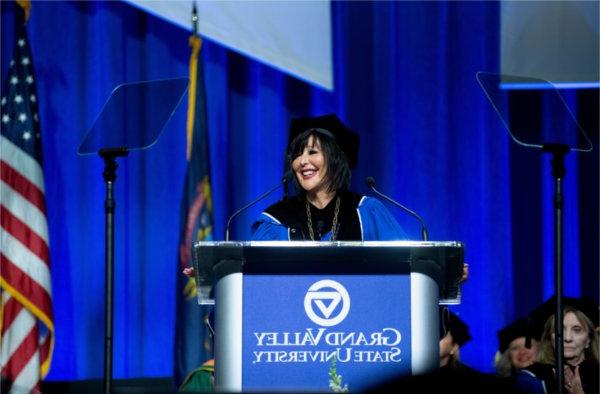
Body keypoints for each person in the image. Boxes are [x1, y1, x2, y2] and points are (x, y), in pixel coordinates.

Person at [251, 114, 408, 241]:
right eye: (297, 155)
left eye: (312, 152)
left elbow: (404, 269)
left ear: (335, 159)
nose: (303, 161)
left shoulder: (366, 211)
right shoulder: (277, 219)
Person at [514, 305, 599, 394]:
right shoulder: (531, 379)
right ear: (550, 339)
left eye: (577, 330)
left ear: (588, 340)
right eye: (559, 330)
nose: (567, 338)